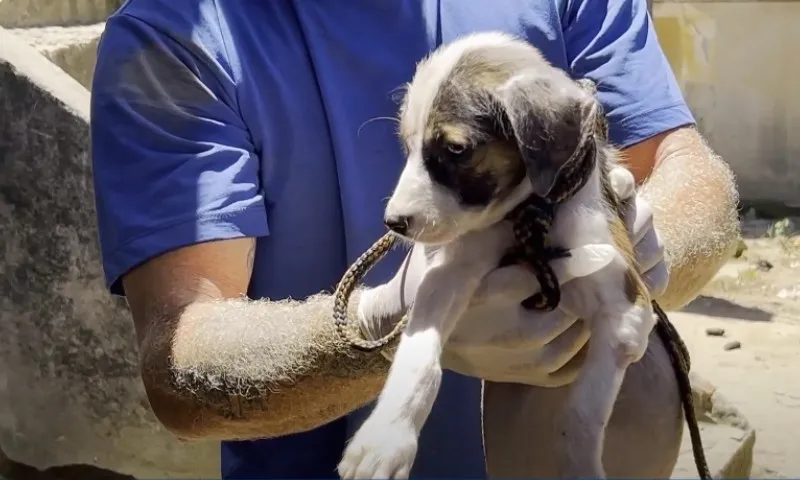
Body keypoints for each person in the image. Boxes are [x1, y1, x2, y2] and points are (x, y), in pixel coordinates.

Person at [90, 0, 739, 478]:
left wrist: (639, 262)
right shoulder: (176, 38)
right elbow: (183, 367)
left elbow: (689, 174)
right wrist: (389, 322)